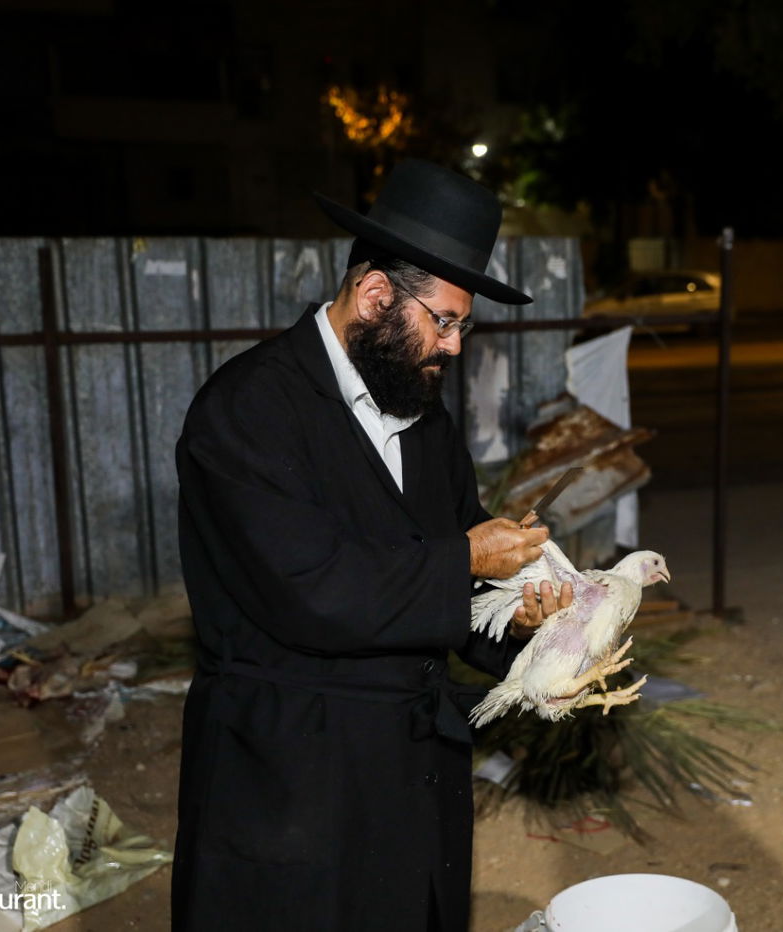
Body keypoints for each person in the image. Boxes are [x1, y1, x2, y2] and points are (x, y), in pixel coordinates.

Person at [171, 159, 572, 930]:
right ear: (376, 295)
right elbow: (313, 591)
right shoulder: (246, 411)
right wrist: (467, 561)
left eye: (463, 326)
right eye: (445, 322)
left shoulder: (420, 409)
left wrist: (517, 623)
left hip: (413, 777)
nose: (453, 348)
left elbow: (457, 571)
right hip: (295, 780)